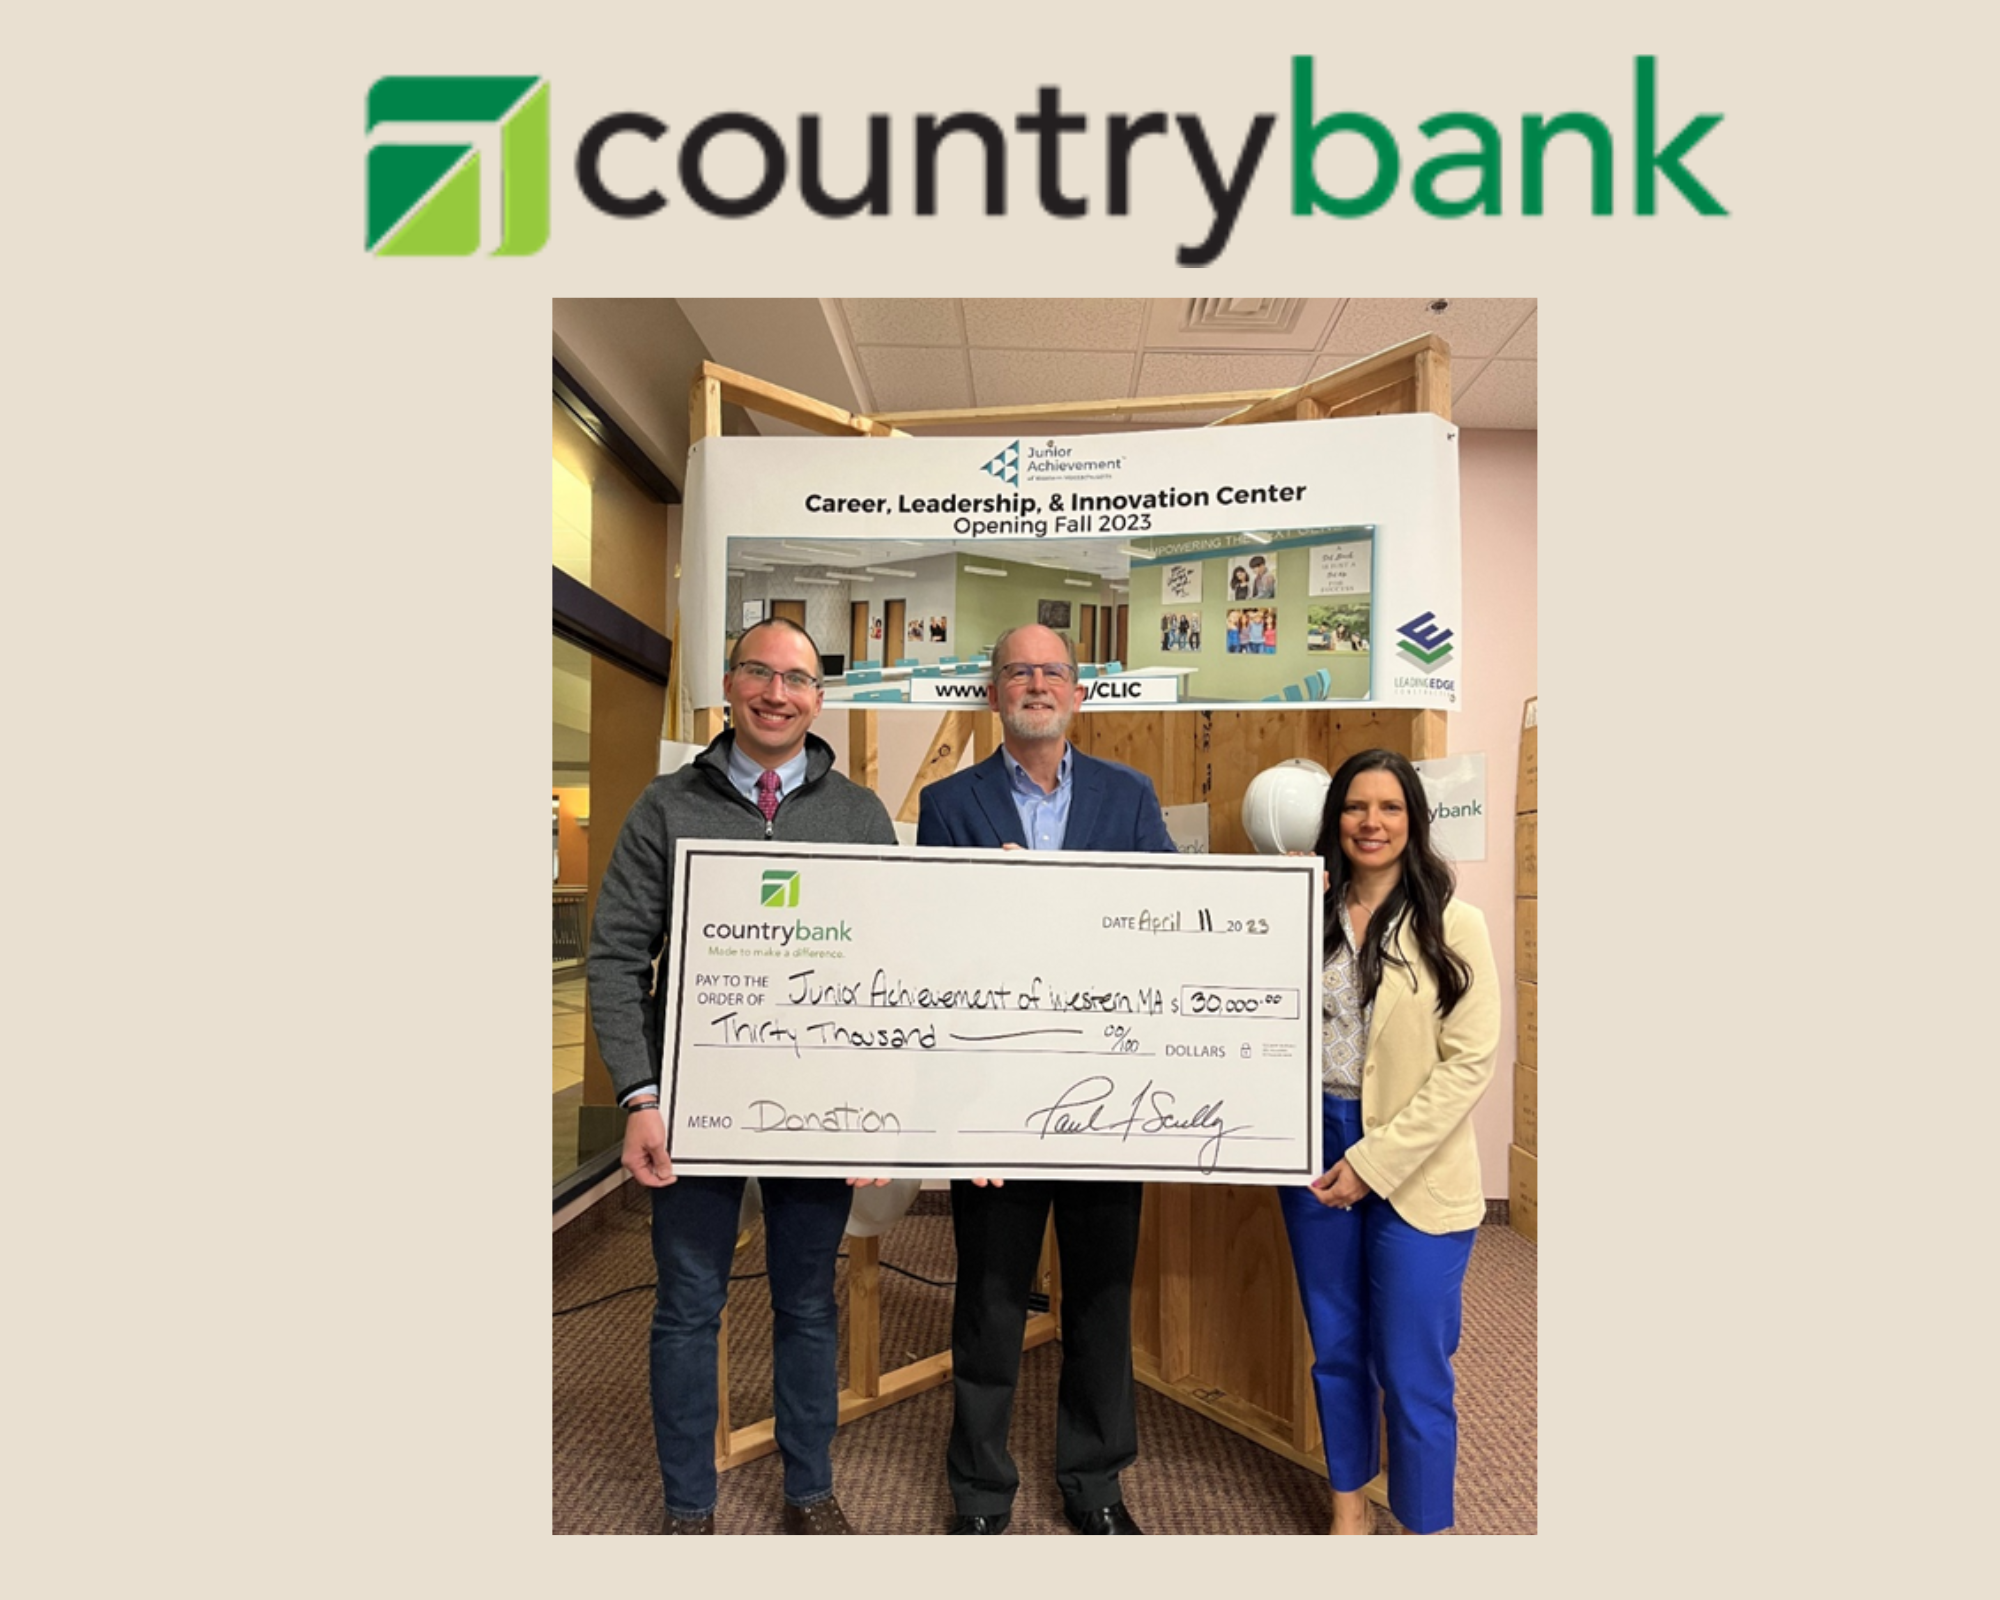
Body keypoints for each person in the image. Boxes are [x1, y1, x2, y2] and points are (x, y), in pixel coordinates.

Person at [588, 618, 899, 1536]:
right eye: (758, 673)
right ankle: (690, 1507)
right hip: (692, 1112)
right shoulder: (664, 806)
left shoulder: (860, 817)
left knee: (808, 1300)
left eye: (797, 678)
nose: (777, 692)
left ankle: (809, 1490)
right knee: (688, 1308)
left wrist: (878, 1113)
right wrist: (639, 1098)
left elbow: (893, 968)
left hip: (819, 1108)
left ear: (819, 697)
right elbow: (613, 960)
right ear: (728, 687)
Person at [917, 624, 1176, 1536]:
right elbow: (930, 947)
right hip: (992, 1096)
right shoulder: (949, 803)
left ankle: (1095, 1481)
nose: (1035, 683)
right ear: (993, 694)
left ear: (1079, 693)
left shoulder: (1130, 797)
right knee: (988, 1298)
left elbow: (1166, 926)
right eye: (1017, 671)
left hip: (1108, 1095)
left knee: (1102, 1300)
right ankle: (981, 1493)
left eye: (1052, 671)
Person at [1279, 750, 1499, 1535]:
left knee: (1412, 1367)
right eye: (1355, 807)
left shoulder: (1455, 924)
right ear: (1335, 819)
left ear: (1414, 820)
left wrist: (1373, 1163)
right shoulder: (1301, 914)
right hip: (1314, 1150)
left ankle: (1425, 1526)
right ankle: (1350, 1510)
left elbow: (1469, 1063)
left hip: (1415, 1164)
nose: (1371, 823)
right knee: (1337, 1346)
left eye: (1390, 808)